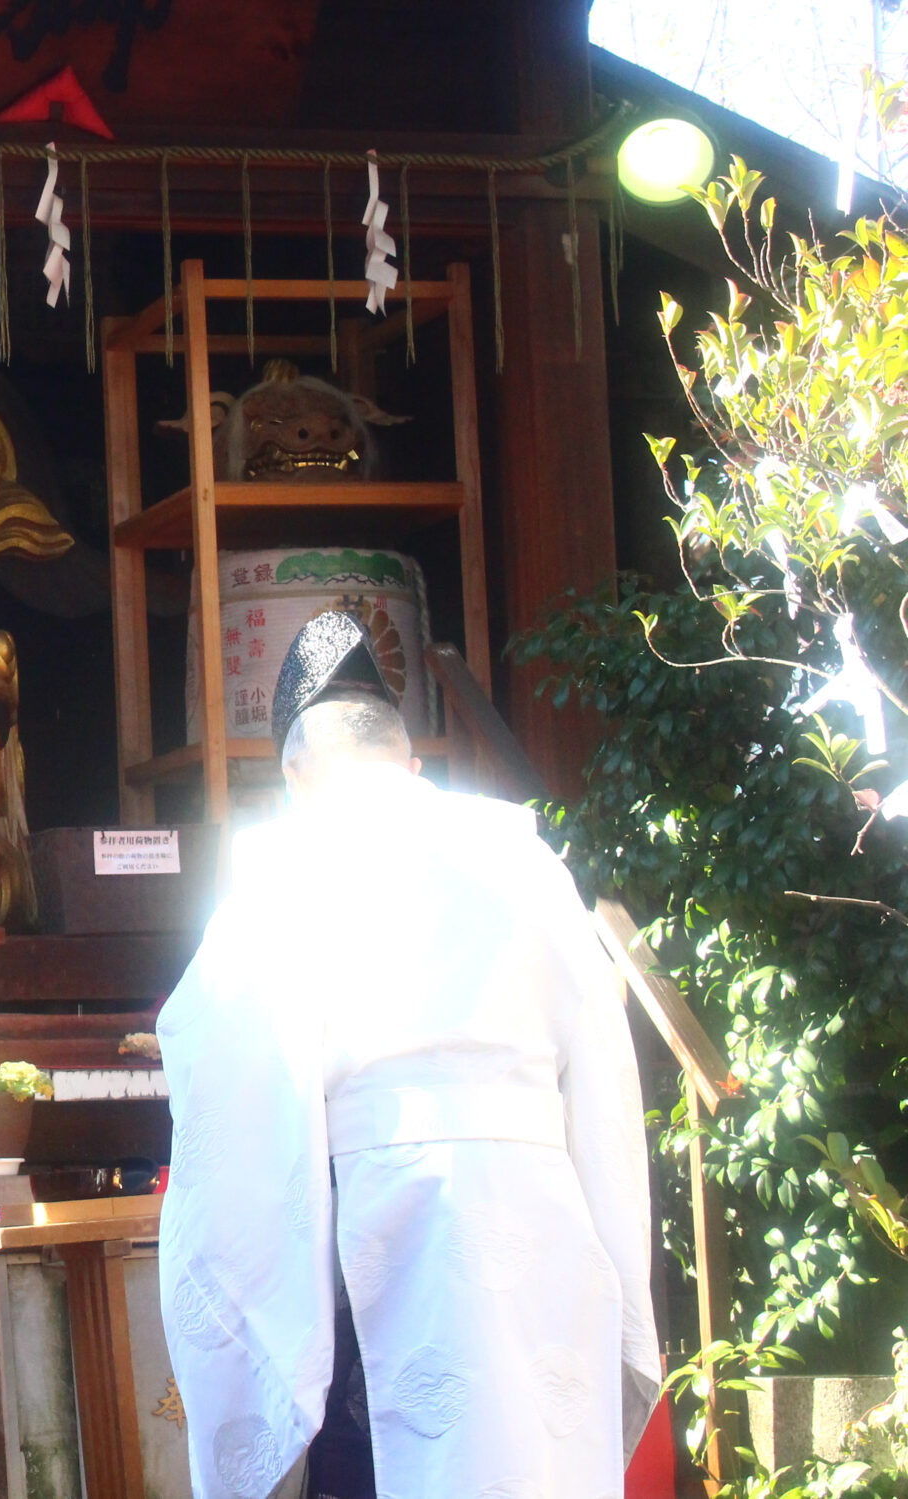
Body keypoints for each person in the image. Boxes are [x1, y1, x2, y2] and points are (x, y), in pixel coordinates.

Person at [156, 613, 659, 1499]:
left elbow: (227, 1090)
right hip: (542, 1226)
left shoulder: (285, 871)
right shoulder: (529, 863)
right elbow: (606, 1083)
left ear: (294, 775)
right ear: (412, 763)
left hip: (380, 1231)